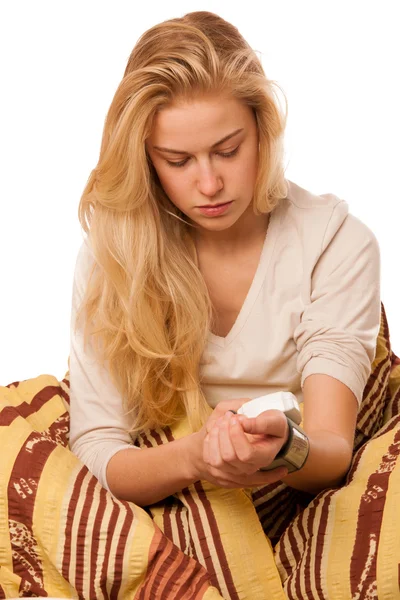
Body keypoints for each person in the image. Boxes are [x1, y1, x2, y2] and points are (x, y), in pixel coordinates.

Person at [69, 11, 381, 508]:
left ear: (262, 131)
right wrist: (196, 456)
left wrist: (285, 447)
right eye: (178, 161)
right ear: (146, 159)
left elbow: (332, 449)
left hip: (302, 491)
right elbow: (97, 448)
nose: (209, 184)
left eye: (228, 151)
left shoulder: (336, 242)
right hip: (165, 487)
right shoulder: (115, 255)